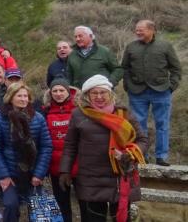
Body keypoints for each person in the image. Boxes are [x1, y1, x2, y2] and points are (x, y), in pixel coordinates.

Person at [59, 75, 147, 222]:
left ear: (110, 93)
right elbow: (70, 145)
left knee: (121, 218)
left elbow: (142, 139)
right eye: (94, 93)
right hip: (91, 179)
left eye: (103, 92)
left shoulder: (124, 114)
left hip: (120, 177)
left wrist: (130, 154)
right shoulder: (78, 115)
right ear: (87, 95)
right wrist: (65, 170)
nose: (99, 96)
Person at [0, 82, 52, 222]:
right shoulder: (0, 118)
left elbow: (46, 146)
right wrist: (4, 175)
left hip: (33, 171)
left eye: (26, 96)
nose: (23, 99)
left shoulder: (38, 118)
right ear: (11, 97)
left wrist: (39, 173)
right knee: (10, 205)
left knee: (40, 209)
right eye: (19, 96)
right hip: (10, 172)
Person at [122, 19, 182, 166]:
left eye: (141, 29)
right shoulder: (131, 47)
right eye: (136, 29)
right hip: (137, 92)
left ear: (151, 30)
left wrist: (171, 86)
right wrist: (128, 85)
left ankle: (162, 156)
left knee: (162, 124)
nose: (137, 32)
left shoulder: (165, 46)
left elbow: (176, 68)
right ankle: (142, 155)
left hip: (161, 91)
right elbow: (124, 68)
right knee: (138, 125)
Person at [42, 78, 78, 221]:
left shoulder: (79, 109)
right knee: (62, 202)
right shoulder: (45, 111)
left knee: (84, 201)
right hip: (56, 166)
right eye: (55, 91)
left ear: (68, 92)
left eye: (61, 90)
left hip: (78, 164)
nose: (58, 93)